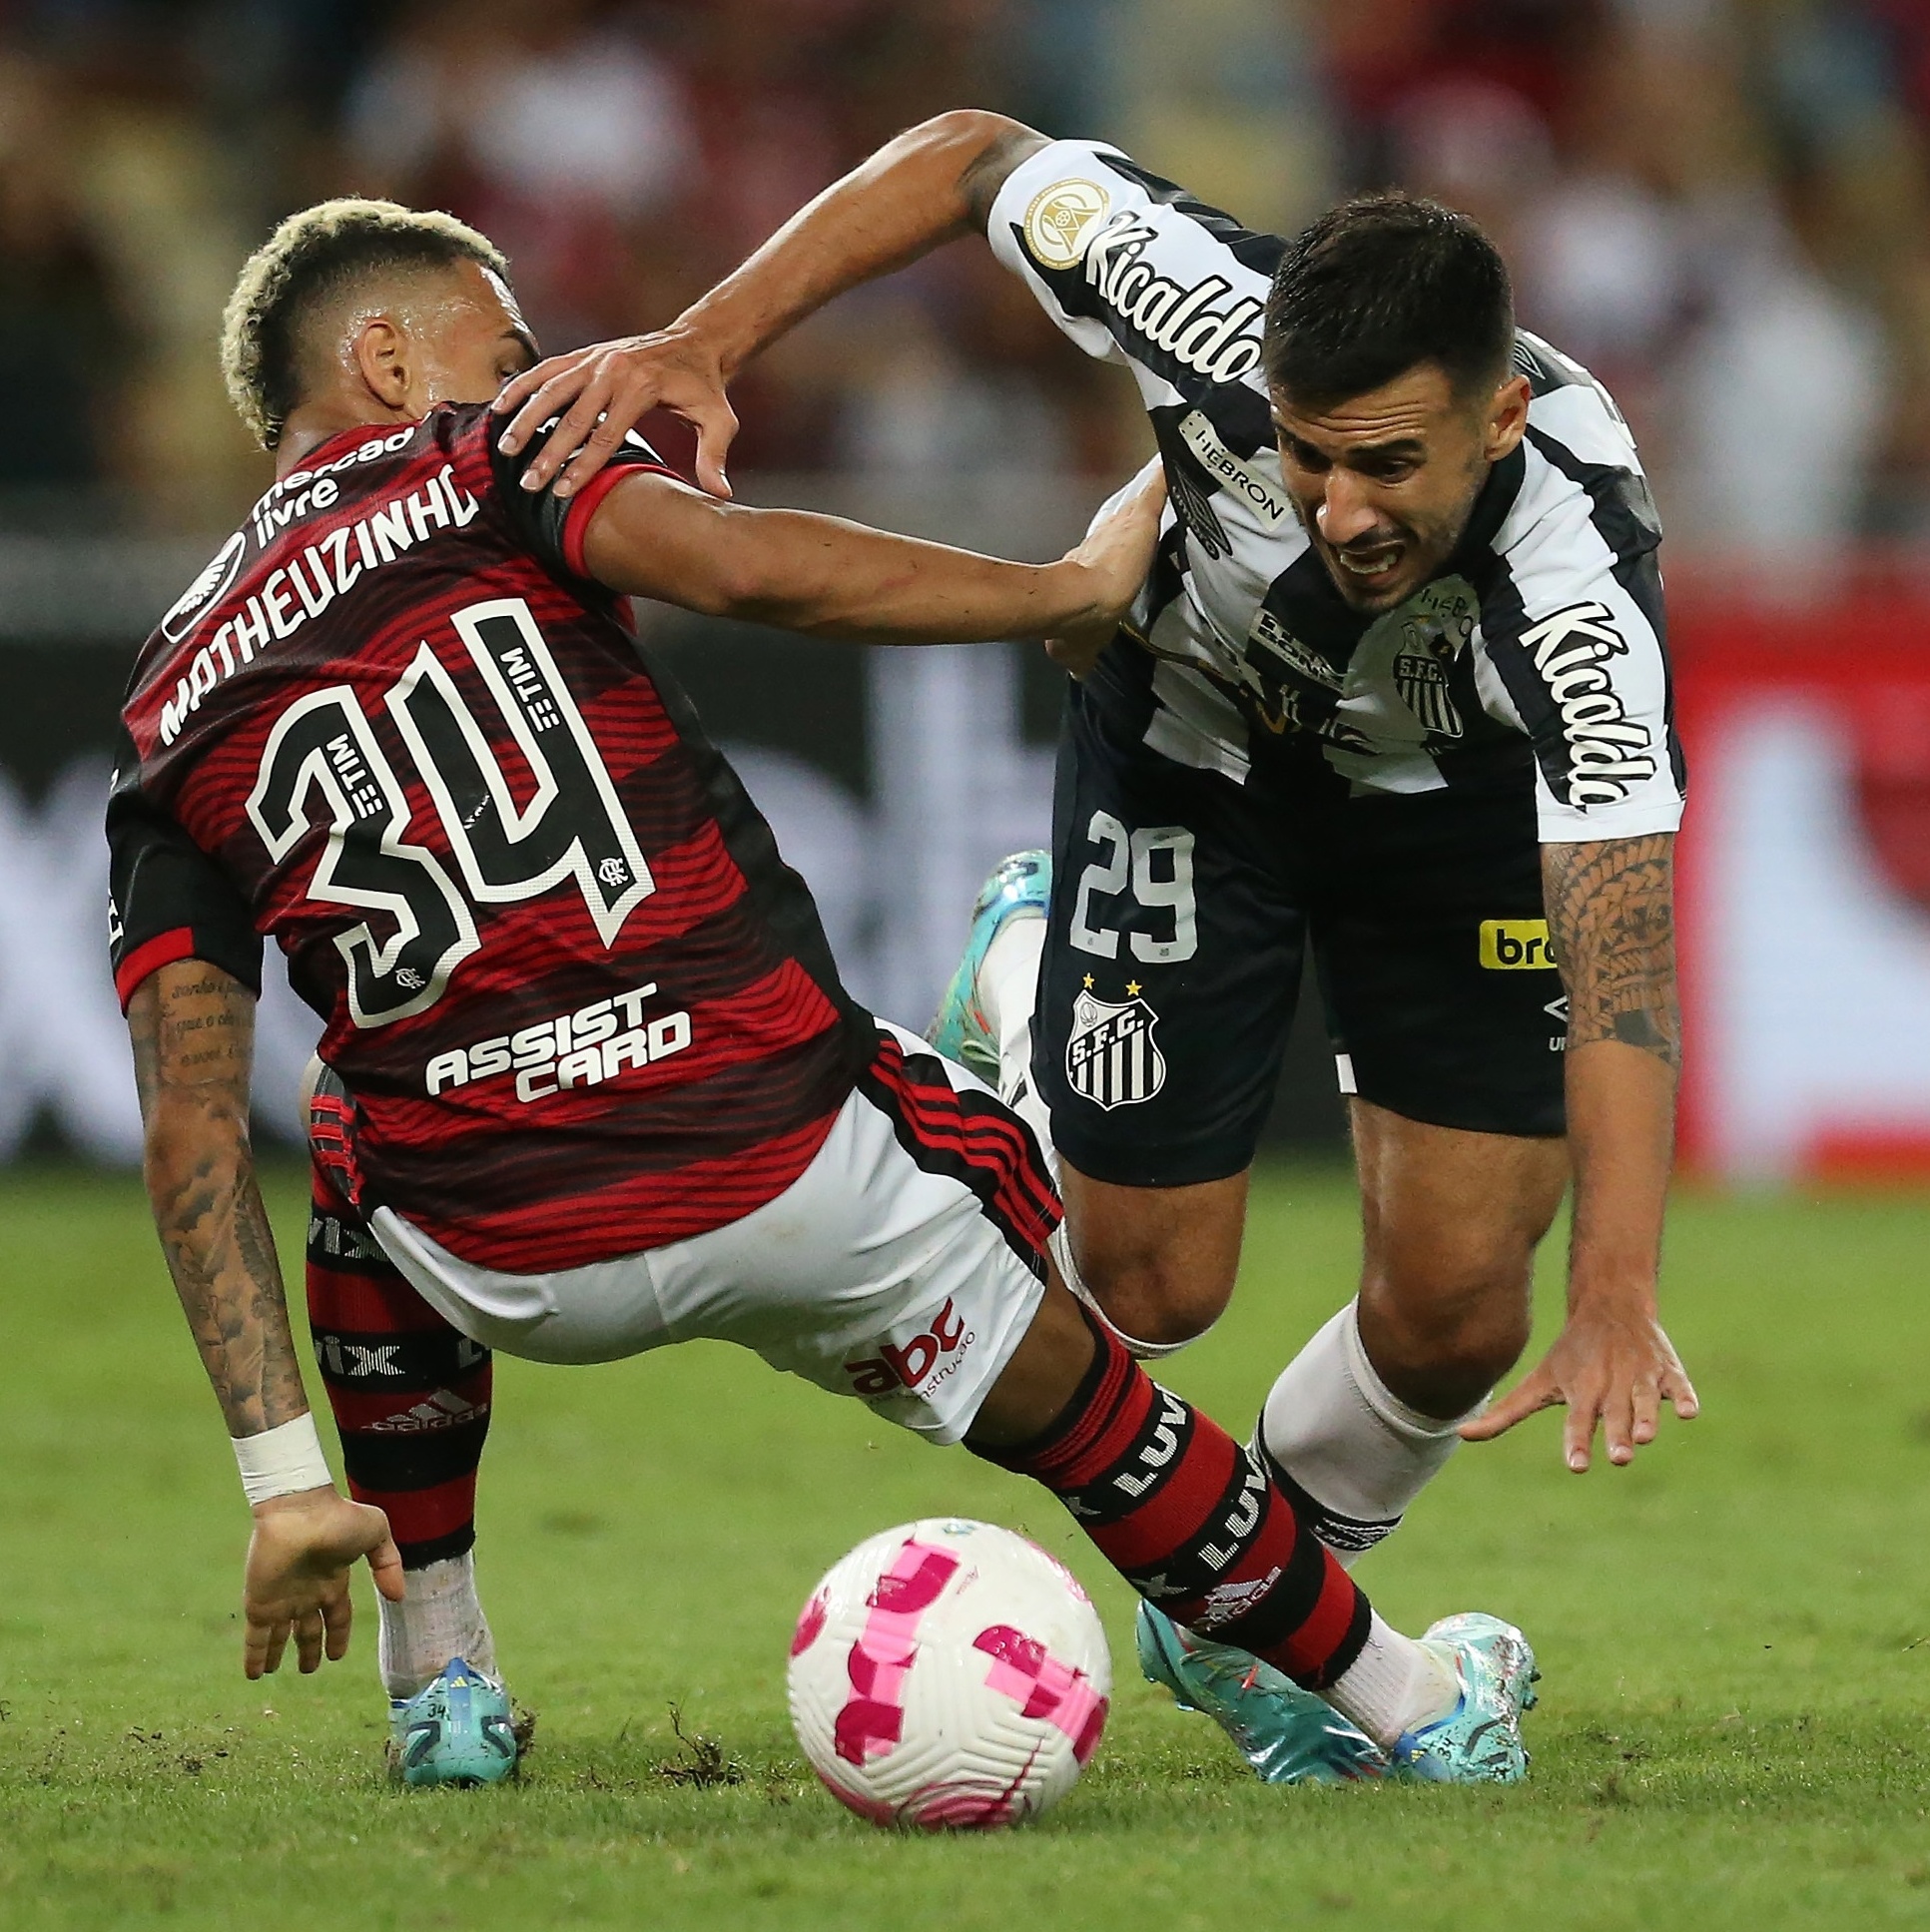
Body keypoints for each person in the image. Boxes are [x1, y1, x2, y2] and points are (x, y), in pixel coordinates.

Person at [111, 197, 1536, 1791]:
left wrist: (282, 1480)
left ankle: (437, 1678)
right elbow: (752, 567)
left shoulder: (168, 692)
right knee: (1087, 1371)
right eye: (506, 351)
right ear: (385, 359)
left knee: (353, 1136)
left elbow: (186, 1129)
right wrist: (1058, 591)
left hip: (506, 1255)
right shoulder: (485, 462)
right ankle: (1413, 1704)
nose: (540, 377)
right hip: (786, 1157)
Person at [491, 110, 1698, 1780]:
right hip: (1194, 755)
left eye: (1389, 465)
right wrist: (704, 340)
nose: (1341, 509)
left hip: (1450, 831)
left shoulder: (1578, 595)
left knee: (1452, 1319)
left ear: (1499, 415)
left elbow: (1623, 968)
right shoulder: (1186, 296)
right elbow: (973, 153)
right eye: (1305, 455)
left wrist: (1616, 1293)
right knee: (1143, 1288)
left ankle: (1233, 1620)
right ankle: (1025, 961)